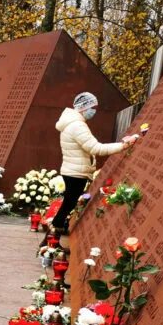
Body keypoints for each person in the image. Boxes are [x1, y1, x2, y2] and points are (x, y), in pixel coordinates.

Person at [53, 92, 135, 234]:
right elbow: (96, 148)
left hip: (72, 170)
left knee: (70, 201)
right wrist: (123, 146)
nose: (94, 111)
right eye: (93, 107)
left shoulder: (71, 123)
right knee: (70, 202)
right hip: (76, 173)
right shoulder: (77, 126)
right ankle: (57, 229)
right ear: (84, 107)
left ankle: (58, 226)